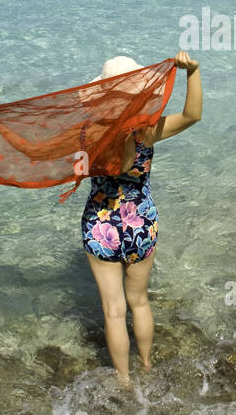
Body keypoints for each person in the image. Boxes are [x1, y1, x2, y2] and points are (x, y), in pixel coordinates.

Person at [80, 50, 201, 386]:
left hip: (100, 224)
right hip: (141, 224)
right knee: (139, 301)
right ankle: (147, 366)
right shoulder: (148, 132)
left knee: (114, 311)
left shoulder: (91, 133)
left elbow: (102, 166)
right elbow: (193, 115)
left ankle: (124, 382)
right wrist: (193, 72)